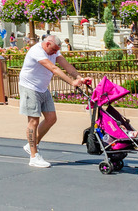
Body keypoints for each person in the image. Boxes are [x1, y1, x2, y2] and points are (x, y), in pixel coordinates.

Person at [19, 35, 92, 167]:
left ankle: (31, 146)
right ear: (47, 44)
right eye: (53, 50)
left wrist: (79, 78)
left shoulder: (54, 50)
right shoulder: (36, 51)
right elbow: (54, 68)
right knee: (33, 121)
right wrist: (72, 82)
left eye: (56, 51)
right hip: (30, 87)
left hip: (42, 88)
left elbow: (66, 65)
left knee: (51, 118)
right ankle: (34, 156)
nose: (54, 53)